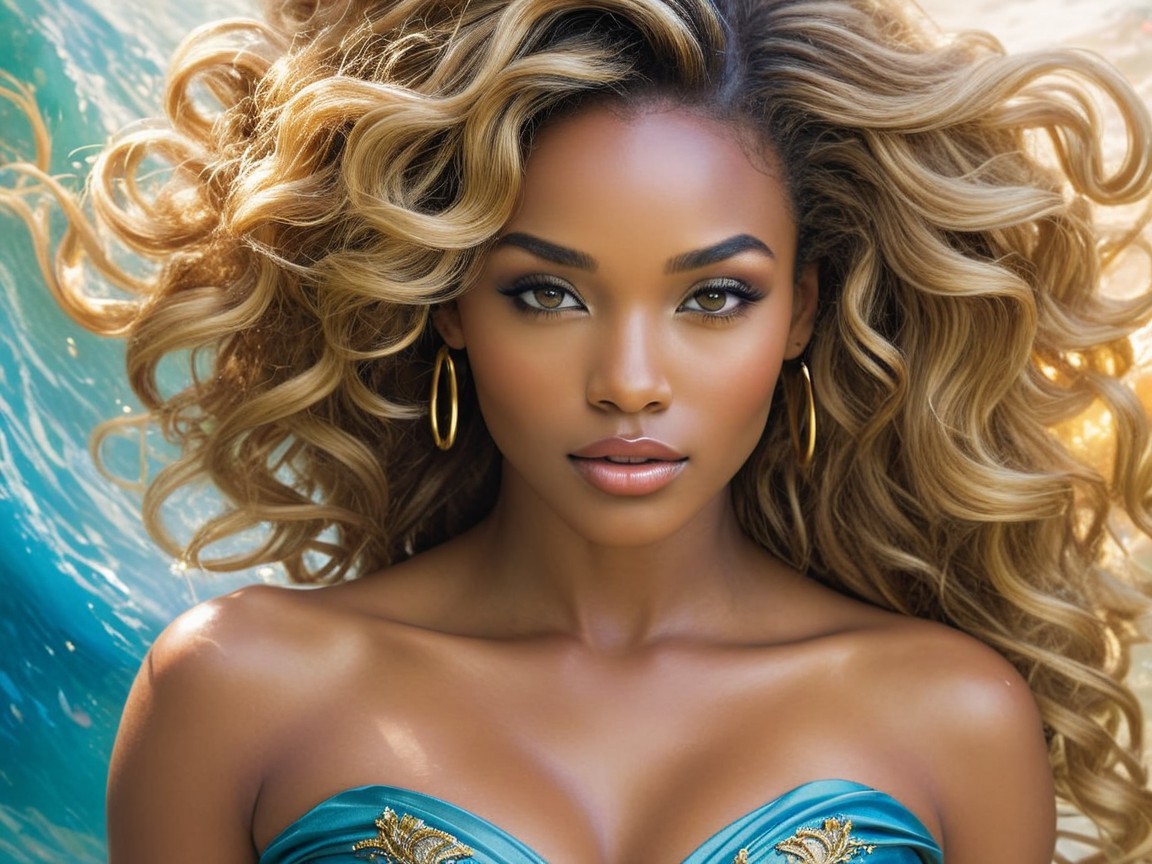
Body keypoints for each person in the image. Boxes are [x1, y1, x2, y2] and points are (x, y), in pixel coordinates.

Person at [4, 0, 1152, 860]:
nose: (630, 382)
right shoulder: (239, 692)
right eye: (547, 294)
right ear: (449, 302)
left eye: (715, 297)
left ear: (800, 311)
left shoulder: (952, 715)